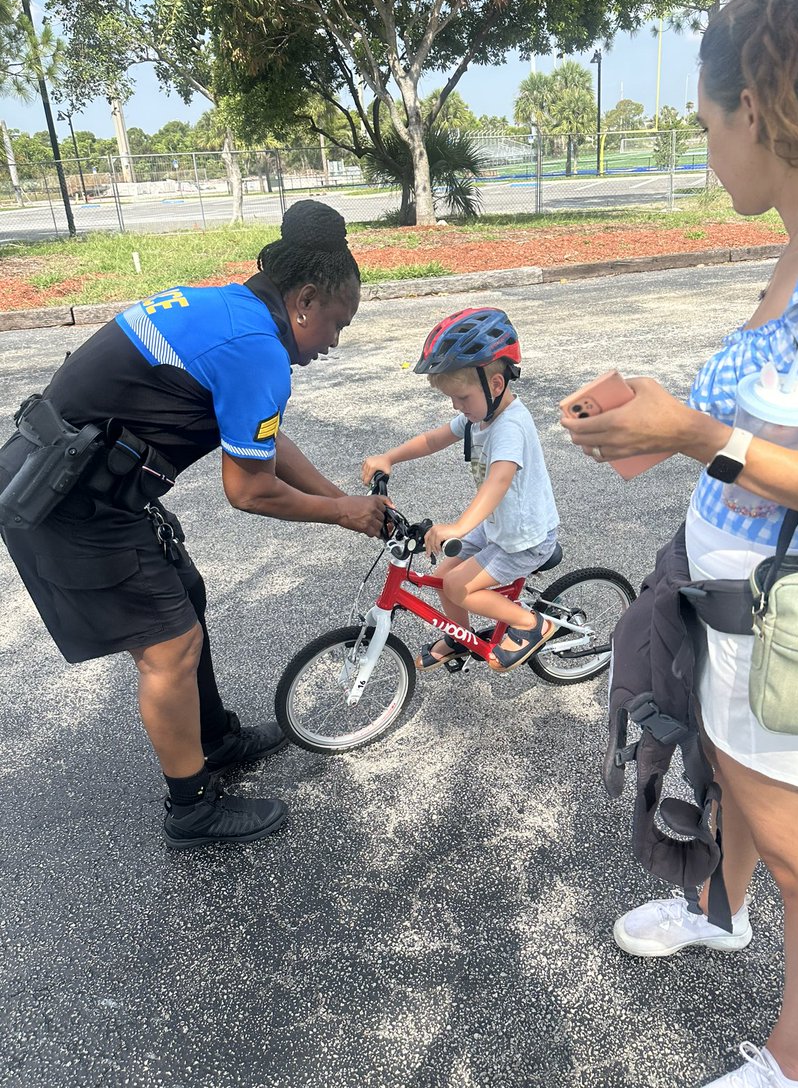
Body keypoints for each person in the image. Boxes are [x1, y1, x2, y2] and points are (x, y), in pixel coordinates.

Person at [561, 0, 798, 1088]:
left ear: (756, 105)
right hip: (729, 606)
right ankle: (718, 910)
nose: (709, 154)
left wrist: (700, 434)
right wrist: (653, 430)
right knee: (734, 791)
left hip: (792, 630)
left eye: (706, 128)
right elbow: (768, 438)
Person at [0, 200, 388, 850]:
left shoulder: (228, 310)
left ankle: (216, 740)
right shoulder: (258, 349)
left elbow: (262, 440)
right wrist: (343, 512)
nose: (332, 344)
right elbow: (249, 489)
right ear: (306, 299)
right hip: (66, 506)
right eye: (336, 325)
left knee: (188, 596)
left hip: (82, 479)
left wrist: (341, 500)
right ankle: (192, 809)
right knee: (168, 648)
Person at [362, 307, 560, 672]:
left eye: (462, 398)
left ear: (495, 385)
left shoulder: (510, 427)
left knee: (459, 587)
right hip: (500, 526)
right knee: (442, 575)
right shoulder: (481, 413)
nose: (457, 406)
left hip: (525, 536)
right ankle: (459, 636)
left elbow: (499, 482)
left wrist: (457, 527)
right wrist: (389, 457)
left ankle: (531, 625)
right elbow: (433, 439)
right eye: (452, 399)